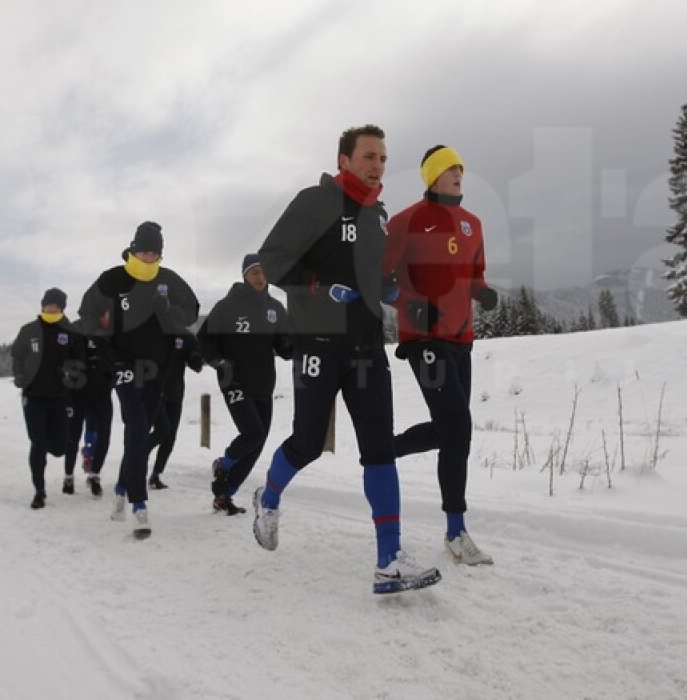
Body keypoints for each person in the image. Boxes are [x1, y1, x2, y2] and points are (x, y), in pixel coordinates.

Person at [250, 124, 441, 594]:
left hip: (367, 345)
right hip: (317, 341)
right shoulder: (315, 203)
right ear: (344, 160)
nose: (379, 166)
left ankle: (389, 559)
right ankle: (268, 497)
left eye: (382, 157)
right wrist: (316, 285)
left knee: (378, 446)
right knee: (308, 444)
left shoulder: (377, 215)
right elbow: (270, 260)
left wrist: (398, 295)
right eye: (369, 156)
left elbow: (377, 276)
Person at [383, 144, 500, 566]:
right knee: (458, 427)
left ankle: (385, 447)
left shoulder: (473, 224)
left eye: (460, 167)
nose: (458, 172)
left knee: (453, 430)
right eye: (449, 167)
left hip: (460, 339)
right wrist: (409, 305)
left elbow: (475, 273)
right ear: (431, 175)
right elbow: (382, 281)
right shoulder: (407, 221)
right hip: (423, 340)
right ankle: (456, 531)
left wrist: (482, 291)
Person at [75, 221, 200, 539]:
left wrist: (169, 309)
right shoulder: (113, 279)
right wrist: (104, 346)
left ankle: (121, 485)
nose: (147, 258)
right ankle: (139, 505)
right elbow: (87, 313)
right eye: (143, 251)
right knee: (137, 425)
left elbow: (191, 311)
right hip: (123, 363)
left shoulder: (167, 281)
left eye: (154, 253)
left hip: (157, 367)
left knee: (144, 430)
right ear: (133, 249)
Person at [200, 253, 292, 515]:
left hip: (263, 382)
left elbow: (283, 345)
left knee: (257, 443)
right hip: (234, 380)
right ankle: (224, 463)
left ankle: (224, 495)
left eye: (263, 272)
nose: (260, 277)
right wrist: (219, 361)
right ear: (244, 275)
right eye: (254, 273)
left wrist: (297, 347)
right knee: (252, 433)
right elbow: (204, 339)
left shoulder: (275, 308)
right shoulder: (227, 306)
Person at [11, 287, 84, 509]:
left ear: (62, 307)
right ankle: (39, 491)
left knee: (61, 447)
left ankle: (55, 448)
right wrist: (20, 376)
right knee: (38, 444)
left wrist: (70, 374)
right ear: (43, 305)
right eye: (48, 304)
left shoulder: (71, 332)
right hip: (33, 398)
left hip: (60, 398)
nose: (51, 308)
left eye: (56, 305)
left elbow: (80, 362)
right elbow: (17, 355)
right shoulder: (29, 330)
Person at [146, 331, 204, 490]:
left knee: (170, 437)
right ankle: (139, 454)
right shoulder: (155, 331)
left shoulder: (187, 337)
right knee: (162, 430)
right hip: (154, 390)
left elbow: (197, 366)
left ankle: (156, 475)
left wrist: (195, 357)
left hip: (175, 393)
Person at [65, 333, 114, 497]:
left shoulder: (111, 333)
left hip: (102, 393)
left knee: (105, 433)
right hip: (77, 392)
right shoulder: (75, 329)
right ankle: (68, 476)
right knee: (73, 434)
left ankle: (94, 475)